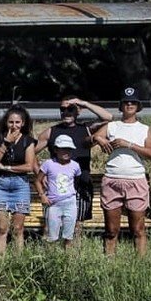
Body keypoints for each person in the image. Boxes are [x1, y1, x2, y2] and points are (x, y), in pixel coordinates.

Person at [94, 86, 151, 257]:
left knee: (138, 228)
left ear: (138, 106)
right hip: (113, 178)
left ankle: (141, 263)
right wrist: (100, 139)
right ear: (121, 106)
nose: (129, 105)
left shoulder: (144, 129)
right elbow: (94, 137)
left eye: (133, 102)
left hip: (135, 179)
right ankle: (109, 262)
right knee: (111, 229)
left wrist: (128, 144)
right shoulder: (112, 126)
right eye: (126, 102)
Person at [41, 95, 112, 223]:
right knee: (51, 224)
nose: (66, 112)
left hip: (81, 184)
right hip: (56, 185)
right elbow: (30, 152)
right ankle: (51, 244)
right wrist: (41, 174)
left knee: (77, 224)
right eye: (63, 109)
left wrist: (84, 103)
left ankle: (76, 244)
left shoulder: (86, 129)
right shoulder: (50, 132)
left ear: (78, 111)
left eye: (71, 109)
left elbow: (108, 118)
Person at [0, 105, 38, 256]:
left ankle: (18, 259)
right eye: (11, 122)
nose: (14, 126)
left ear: (23, 123)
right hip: (0, 184)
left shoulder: (28, 141)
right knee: (1, 227)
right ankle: (1, 259)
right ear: (6, 123)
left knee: (18, 227)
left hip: (20, 184)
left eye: (17, 122)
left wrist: (8, 167)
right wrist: (6, 144)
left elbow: (28, 165)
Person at [38, 135, 83, 250]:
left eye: (68, 149)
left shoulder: (75, 165)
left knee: (68, 234)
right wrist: (42, 195)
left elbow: (77, 181)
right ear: (56, 149)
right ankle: (51, 256)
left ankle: (67, 257)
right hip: (53, 203)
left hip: (70, 202)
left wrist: (73, 193)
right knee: (51, 235)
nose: (65, 152)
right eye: (62, 149)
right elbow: (37, 181)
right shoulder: (48, 164)